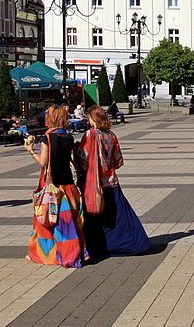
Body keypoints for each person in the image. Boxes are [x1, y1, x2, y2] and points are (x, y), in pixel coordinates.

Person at [77, 105, 150, 259]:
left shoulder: (89, 135)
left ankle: (99, 246)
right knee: (117, 215)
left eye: (89, 117)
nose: (88, 120)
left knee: (95, 217)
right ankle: (128, 242)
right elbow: (118, 161)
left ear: (93, 118)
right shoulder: (111, 135)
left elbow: (83, 160)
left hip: (94, 184)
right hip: (111, 181)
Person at [24, 105, 89, 267]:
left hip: (53, 187)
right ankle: (77, 251)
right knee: (69, 224)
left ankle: (53, 255)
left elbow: (43, 163)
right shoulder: (68, 137)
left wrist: (30, 151)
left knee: (48, 222)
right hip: (68, 186)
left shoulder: (47, 138)